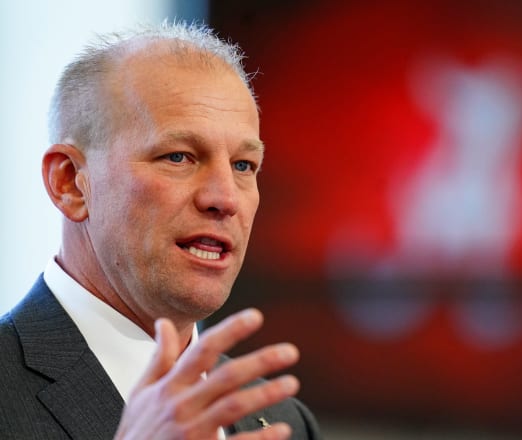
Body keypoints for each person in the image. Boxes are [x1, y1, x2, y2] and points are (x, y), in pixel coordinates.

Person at [0, 22, 321, 439]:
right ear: (69, 182)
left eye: (243, 165)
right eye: (179, 157)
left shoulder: (285, 421)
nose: (225, 198)